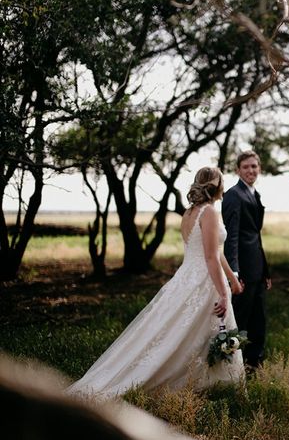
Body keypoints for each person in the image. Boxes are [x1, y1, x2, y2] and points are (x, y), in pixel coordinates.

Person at [67, 167, 245, 400]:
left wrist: (232, 278)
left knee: (185, 331)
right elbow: (210, 257)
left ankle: (208, 383)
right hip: (203, 281)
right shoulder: (210, 212)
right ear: (218, 185)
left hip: (187, 276)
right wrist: (223, 293)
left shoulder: (190, 212)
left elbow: (214, 251)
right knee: (187, 335)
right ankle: (191, 383)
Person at [222, 150, 271, 373]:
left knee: (258, 319)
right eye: (246, 167)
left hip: (257, 269)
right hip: (242, 270)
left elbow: (256, 237)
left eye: (254, 166)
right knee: (239, 318)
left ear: (259, 168)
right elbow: (231, 236)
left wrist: (266, 271)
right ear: (237, 170)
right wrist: (234, 272)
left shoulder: (255, 194)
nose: (251, 170)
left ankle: (255, 363)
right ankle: (231, 366)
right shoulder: (233, 195)